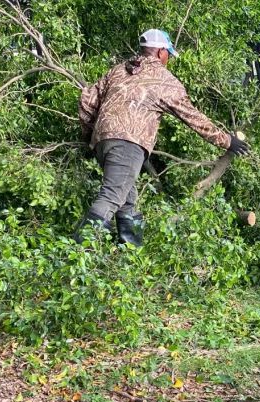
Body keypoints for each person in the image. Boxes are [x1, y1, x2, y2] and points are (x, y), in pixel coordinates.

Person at [76, 29, 249, 246]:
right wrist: (227, 140)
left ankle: (129, 255)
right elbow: (192, 116)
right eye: (168, 53)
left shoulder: (118, 71)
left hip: (103, 141)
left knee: (127, 201)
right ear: (160, 52)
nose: (168, 58)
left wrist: (91, 135)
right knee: (112, 196)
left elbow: (87, 100)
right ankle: (76, 257)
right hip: (128, 143)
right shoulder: (163, 80)